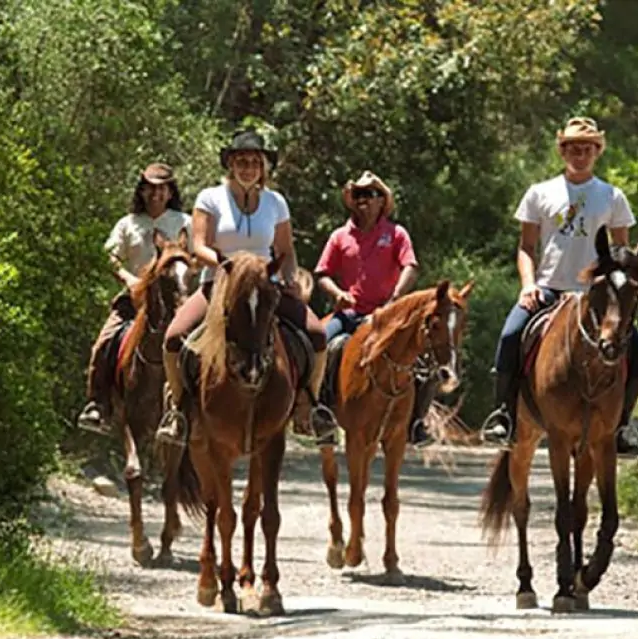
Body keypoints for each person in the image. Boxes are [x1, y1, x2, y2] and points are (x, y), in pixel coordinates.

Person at [154, 129, 337, 447]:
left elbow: (285, 250)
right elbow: (199, 245)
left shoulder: (276, 202)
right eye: (241, 161)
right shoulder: (209, 198)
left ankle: (310, 407)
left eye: (255, 161)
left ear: (264, 167)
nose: (248, 167)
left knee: (317, 335)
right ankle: (178, 412)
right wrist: (226, 264)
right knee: (173, 338)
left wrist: (290, 278)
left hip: (266, 287)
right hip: (220, 283)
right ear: (231, 164)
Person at [479, 116, 638, 454]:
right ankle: (504, 415)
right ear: (562, 151)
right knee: (511, 335)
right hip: (549, 289)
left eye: (587, 148)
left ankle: (621, 427)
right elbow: (526, 247)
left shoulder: (613, 197)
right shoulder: (539, 193)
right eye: (573, 148)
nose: (580, 154)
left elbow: (621, 254)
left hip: (597, 297)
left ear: (597, 152)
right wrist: (528, 285)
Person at [313, 171, 439, 447]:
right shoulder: (339, 236)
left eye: (370, 194)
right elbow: (322, 273)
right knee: (322, 342)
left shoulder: (396, 234)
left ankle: (416, 421)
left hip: (387, 317)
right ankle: (321, 411)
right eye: (358, 195)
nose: (364, 201)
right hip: (349, 314)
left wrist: (394, 299)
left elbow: (411, 267)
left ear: (382, 201)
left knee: (425, 356)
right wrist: (337, 293)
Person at [77, 163, 192, 435]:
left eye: (161, 188)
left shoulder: (184, 222)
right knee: (104, 343)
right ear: (141, 191)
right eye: (150, 188)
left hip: (177, 299)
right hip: (135, 300)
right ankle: (98, 404)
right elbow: (110, 256)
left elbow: (197, 253)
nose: (155, 194)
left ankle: (200, 409)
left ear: (170, 191)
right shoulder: (128, 224)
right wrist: (130, 280)